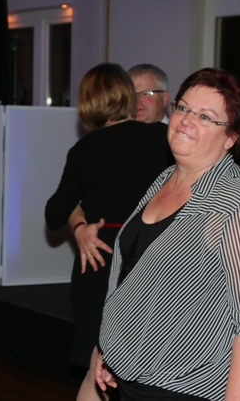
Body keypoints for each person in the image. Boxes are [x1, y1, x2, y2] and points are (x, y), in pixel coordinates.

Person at [95, 68, 240, 400]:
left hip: (186, 388)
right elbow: (133, 274)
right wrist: (109, 348)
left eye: (205, 116)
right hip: (132, 379)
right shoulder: (165, 180)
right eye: (183, 108)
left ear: (230, 137)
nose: (186, 120)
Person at [45, 63, 173, 401]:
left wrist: (80, 223)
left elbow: (54, 213)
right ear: (127, 96)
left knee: (96, 367)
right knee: (152, 369)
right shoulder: (163, 141)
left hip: (98, 261)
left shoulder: (84, 149)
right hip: (149, 259)